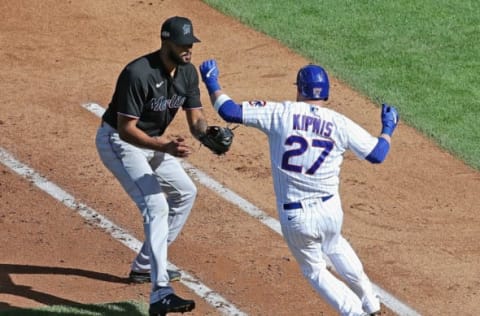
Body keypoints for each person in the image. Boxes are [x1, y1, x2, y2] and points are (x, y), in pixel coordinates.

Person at [198, 59, 399, 316]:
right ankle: (371, 304)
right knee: (335, 245)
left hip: (297, 218)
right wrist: (388, 128)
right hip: (331, 211)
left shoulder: (281, 113)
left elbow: (229, 111)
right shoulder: (339, 123)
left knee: (315, 270)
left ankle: (356, 313)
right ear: (325, 92)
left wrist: (211, 80)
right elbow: (377, 154)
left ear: (299, 90)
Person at [95, 16, 210, 316]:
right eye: (183, 44)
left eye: (190, 44)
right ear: (166, 42)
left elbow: (195, 118)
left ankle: (145, 266)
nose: (188, 49)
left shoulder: (187, 73)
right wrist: (164, 147)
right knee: (156, 206)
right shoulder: (138, 73)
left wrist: (208, 135)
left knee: (186, 192)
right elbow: (125, 129)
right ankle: (161, 292)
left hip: (153, 143)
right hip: (120, 142)